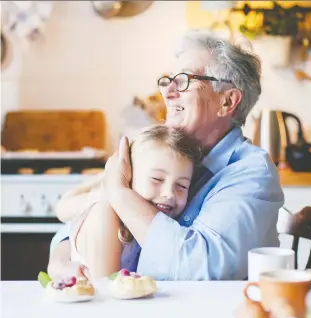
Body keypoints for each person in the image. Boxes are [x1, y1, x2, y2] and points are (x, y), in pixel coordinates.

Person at [49, 29, 284, 280]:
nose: (167, 92)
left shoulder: (250, 173)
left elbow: (201, 271)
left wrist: (120, 194)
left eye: (183, 80)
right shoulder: (161, 155)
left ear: (227, 102)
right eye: (168, 80)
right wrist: (61, 261)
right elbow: (79, 227)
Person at [48, 125, 201, 279]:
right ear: (128, 176)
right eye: (157, 179)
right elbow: (108, 291)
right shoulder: (106, 212)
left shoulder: (169, 225)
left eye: (181, 185)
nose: (169, 194)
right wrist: (106, 179)